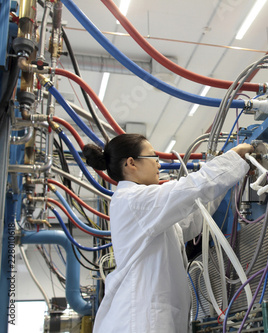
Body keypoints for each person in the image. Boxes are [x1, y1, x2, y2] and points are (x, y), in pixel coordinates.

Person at [83, 133, 254, 333]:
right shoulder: (133, 200)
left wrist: (228, 176)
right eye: (153, 157)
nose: (159, 165)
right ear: (131, 163)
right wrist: (232, 158)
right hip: (139, 323)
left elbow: (192, 218)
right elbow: (189, 189)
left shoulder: (143, 208)